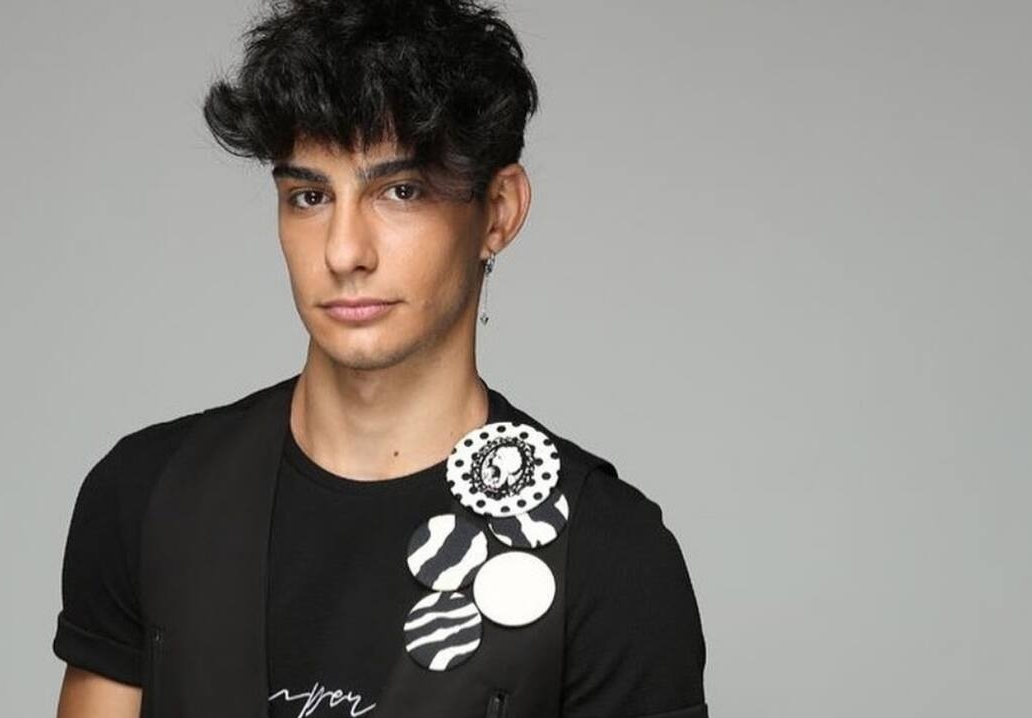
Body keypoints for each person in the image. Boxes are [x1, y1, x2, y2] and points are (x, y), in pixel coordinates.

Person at [52, 1, 709, 716]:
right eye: (309, 196)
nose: (344, 252)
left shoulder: (611, 556)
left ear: (498, 211)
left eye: (400, 191)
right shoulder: (148, 494)